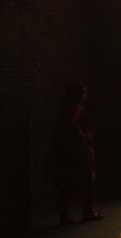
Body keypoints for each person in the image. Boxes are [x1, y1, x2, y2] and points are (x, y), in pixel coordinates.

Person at [43, 81, 102, 225]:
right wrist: (82, 137)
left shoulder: (72, 109)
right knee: (80, 182)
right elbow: (72, 128)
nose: (84, 95)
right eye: (83, 93)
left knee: (69, 184)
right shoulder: (73, 110)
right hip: (74, 152)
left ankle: (69, 215)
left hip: (73, 151)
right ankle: (84, 212)